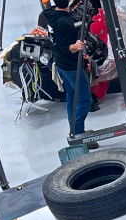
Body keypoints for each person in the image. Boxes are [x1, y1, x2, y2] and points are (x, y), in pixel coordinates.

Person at [38, 0, 95, 140]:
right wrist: (76, 46)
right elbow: (65, 47)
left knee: (72, 97)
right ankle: (79, 133)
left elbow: (56, 42)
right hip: (71, 66)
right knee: (84, 99)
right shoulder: (64, 22)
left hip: (61, 64)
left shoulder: (49, 15)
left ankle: (75, 130)